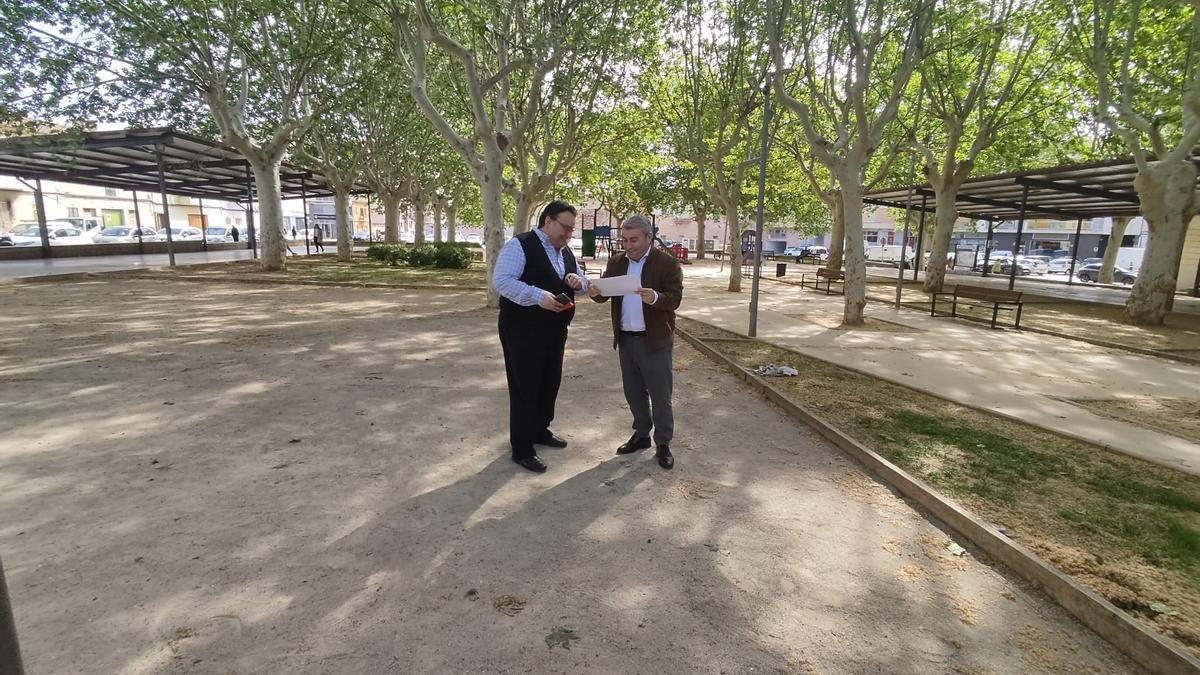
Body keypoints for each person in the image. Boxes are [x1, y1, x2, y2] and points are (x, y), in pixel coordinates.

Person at [493, 200, 587, 473]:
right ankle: (522, 448)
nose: (569, 234)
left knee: (549, 382)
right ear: (547, 221)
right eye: (565, 228)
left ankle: (540, 430)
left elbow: (581, 283)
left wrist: (577, 282)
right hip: (522, 330)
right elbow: (502, 281)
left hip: (555, 330)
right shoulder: (519, 245)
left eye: (571, 230)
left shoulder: (564, 251)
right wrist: (538, 296)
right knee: (525, 387)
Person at [588, 215, 683, 470]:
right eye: (625, 240)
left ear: (648, 237)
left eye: (634, 240)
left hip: (655, 340)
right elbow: (604, 295)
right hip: (626, 339)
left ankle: (663, 443)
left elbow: (674, 299)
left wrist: (655, 297)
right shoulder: (617, 262)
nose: (628, 245)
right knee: (633, 392)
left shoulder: (667, 263)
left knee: (660, 395)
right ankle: (641, 435)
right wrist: (595, 292)